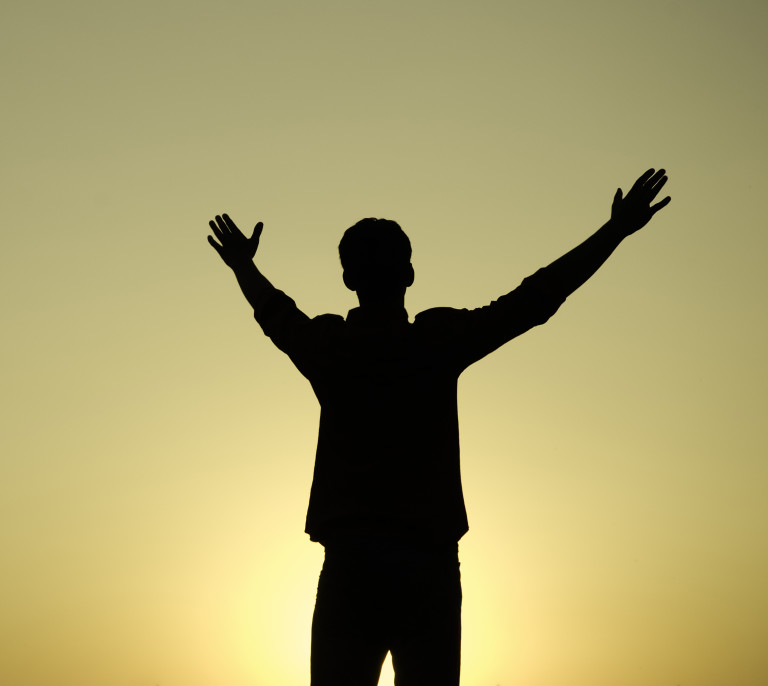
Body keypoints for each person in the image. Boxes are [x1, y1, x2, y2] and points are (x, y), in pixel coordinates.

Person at [207, 169, 671, 685]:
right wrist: (613, 233)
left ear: (348, 280)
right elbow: (533, 301)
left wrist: (243, 267)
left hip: (354, 566)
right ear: (408, 275)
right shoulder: (433, 342)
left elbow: (275, 312)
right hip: (423, 566)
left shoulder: (331, 348)